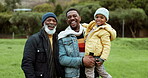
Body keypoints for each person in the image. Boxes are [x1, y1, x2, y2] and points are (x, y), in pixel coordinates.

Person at [21, 12, 64, 78]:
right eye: (48, 20)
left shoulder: (59, 39)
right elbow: (27, 63)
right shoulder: (33, 40)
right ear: (43, 23)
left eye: (54, 21)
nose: (51, 22)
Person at [58, 8, 99, 78]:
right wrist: (82, 61)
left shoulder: (90, 33)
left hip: (92, 73)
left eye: (75, 16)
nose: (72, 18)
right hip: (73, 75)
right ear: (67, 21)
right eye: (69, 17)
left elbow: (99, 48)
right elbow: (62, 59)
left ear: (80, 18)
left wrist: (99, 59)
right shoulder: (62, 36)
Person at [84, 7, 116, 78]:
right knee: (89, 73)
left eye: (101, 17)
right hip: (89, 55)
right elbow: (88, 27)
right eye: (97, 17)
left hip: (97, 57)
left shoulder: (104, 31)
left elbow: (106, 46)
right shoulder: (93, 26)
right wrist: (81, 25)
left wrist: (103, 58)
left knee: (101, 72)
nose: (98, 19)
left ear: (106, 20)